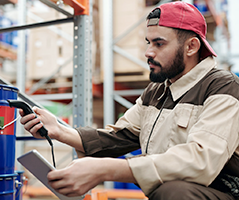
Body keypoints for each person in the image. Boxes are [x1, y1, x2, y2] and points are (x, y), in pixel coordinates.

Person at [20, 2, 239, 200]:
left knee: (173, 192)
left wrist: (105, 169)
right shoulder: (157, 91)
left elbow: (201, 161)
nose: (147, 52)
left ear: (191, 47)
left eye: (159, 44)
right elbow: (120, 137)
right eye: (148, 42)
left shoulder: (223, 88)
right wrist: (58, 130)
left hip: (223, 192)